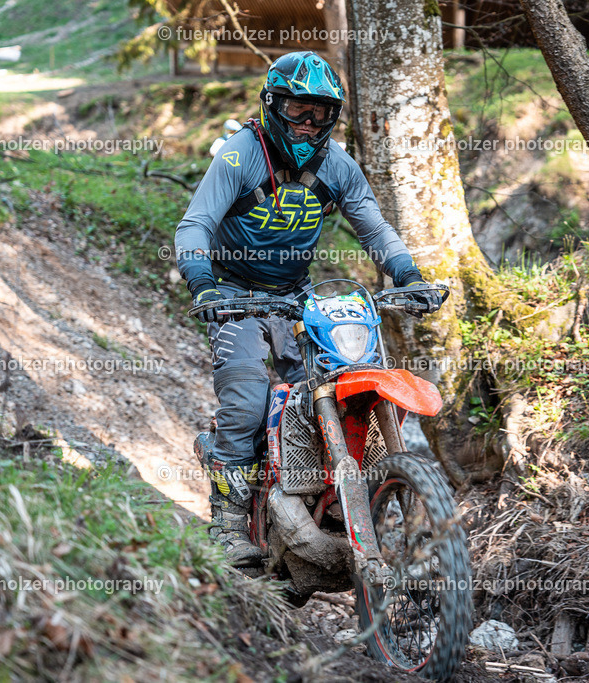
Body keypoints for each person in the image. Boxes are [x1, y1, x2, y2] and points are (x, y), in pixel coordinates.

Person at [174, 51, 441, 566]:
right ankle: (228, 523)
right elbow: (195, 224)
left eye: (321, 114)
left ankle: (338, 501)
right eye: (299, 110)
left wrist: (408, 277)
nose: (309, 123)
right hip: (235, 295)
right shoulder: (239, 156)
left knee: (340, 389)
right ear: (273, 105)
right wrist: (203, 284)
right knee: (249, 398)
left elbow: (374, 226)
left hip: (298, 295)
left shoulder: (337, 164)